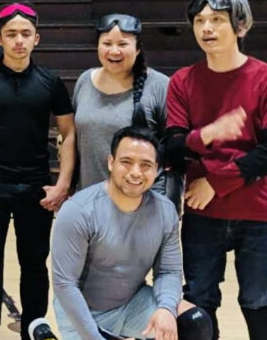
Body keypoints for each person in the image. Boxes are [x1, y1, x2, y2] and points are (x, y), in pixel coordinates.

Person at [163, 0, 267, 340]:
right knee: (197, 304)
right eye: (200, 20)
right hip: (202, 212)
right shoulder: (182, 81)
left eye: (217, 20)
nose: (206, 28)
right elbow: (173, 148)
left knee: (259, 304)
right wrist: (207, 134)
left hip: (259, 212)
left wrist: (216, 181)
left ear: (240, 26)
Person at [0, 2, 76, 340]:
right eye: (11, 34)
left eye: (25, 34)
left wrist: (62, 184)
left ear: (37, 38)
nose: (18, 40)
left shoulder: (50, 82)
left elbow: (69, 133)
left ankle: (33, 331)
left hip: (35, 189)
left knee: (34, 267)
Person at [51, 127, 212, 340]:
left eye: (145, 165)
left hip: (133, 305)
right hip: (82, 313)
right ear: (111, 162)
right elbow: (65, 285)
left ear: (156, 169)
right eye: (126, 162)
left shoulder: (164, 211)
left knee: (195, 324)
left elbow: (168, 272)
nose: (135, 172)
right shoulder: (78, 211)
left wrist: (166, 308)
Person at [72, 13, 175, 209]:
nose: (114, 51)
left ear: (137, 49)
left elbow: (172, 152)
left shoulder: (160, 85)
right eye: (107, 43)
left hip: (142, 204)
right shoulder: (84, 81)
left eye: (122, 44)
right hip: (90, 201)